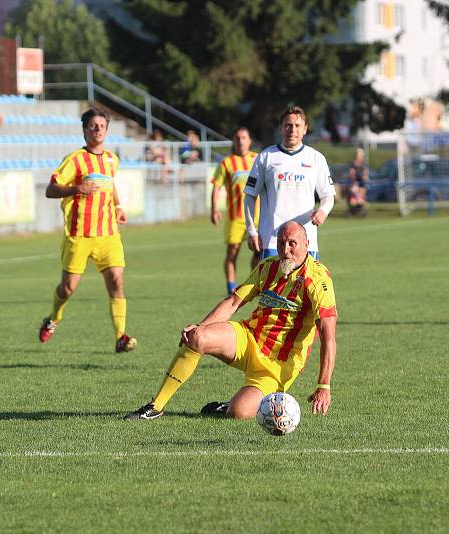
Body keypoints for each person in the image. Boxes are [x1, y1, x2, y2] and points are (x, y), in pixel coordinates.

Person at [125, 221, 337, 420]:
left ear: (307, 245)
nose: (285, 250)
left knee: (239, 413)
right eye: (281, 243)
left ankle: (231, 405)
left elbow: (328, 337)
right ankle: (156, 407)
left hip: (278, 364)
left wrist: (324, 386)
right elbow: (234, 302)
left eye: (292, 244)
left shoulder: (318, 280)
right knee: (196, 337)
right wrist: (200, 326)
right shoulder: (268, 266)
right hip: (249, 338)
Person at [38, 108, 137, 353]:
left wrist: (118, 205)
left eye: (101, 126)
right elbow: (50, 190)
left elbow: (110, 185)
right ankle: (53, 318)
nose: (97, 130)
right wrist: (76, 189)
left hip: (108, 234)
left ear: (107, 129)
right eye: (93, 126)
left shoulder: (112, 160)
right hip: (79, 234)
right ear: (84, 130)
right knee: (68, 288)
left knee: (116, 280)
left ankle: (120, 336)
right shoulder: (75, 160)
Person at [244, 105, 335, 261]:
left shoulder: (316, 158)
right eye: (288, 125)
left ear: (305, 129)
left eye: (297, 125)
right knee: (271, 286)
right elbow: (249, 195)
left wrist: (323, 211)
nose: (293, 130)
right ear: (281, 128)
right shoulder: (266, 157)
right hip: (273, 242)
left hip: (306, 242)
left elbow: (328, 195)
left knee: (307, 286)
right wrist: (252, 230)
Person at [210, 126, 259, 295]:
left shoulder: (258, 159)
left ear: (250, 140)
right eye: (237, 138)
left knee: (259, 252)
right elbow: (216, 186)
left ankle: (254, 283)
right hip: (235, 217)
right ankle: (231, 287)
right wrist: (214, 209)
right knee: (232, 253)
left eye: (244, 137)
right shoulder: (226, 162)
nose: (240, 141)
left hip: (258, 216)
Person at [347, 147, 369, 216]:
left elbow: (365, 175)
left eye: (361, 155)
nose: (359, 157)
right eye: (358, 155)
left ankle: (359, 204)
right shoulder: (353, 164)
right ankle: (354, 206)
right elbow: (352, 174)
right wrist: (354, 179)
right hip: (354, 183)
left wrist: (364, 176)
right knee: (353, 193)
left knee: (361, 193)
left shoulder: (364, 164)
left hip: (362, 184)